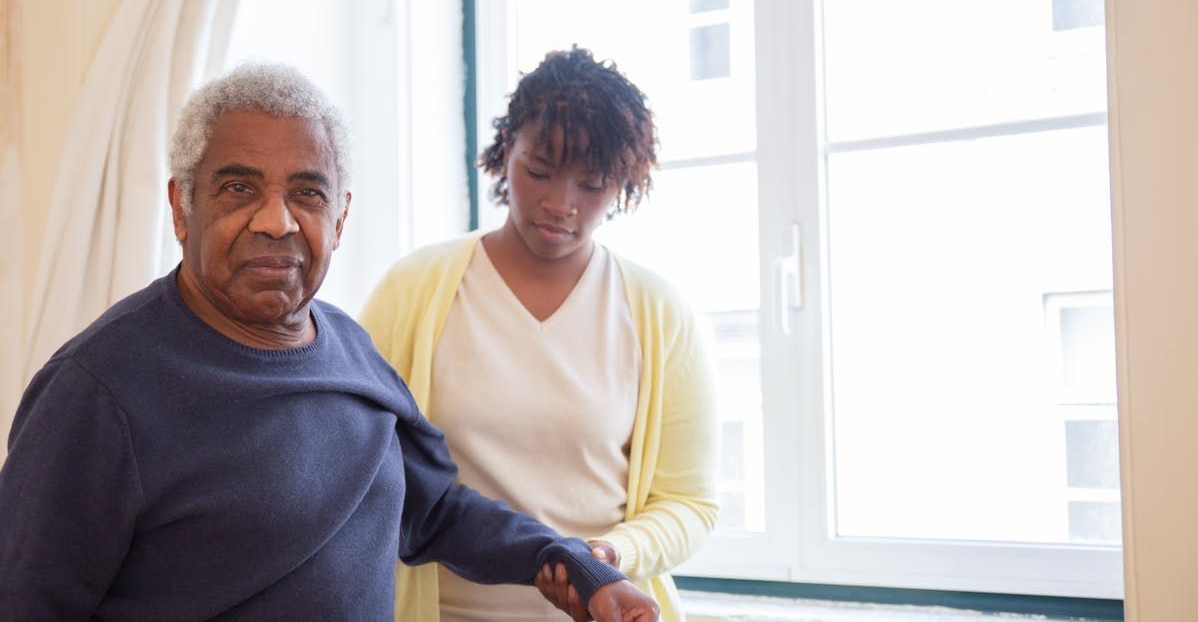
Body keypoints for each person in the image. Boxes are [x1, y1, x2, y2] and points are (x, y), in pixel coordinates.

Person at [0, 62, 660, 622]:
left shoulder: (351, 349)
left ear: (339, 219)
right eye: (238, 188)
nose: (277, 221)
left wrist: (574, 561)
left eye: (308, 193)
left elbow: (433, 509)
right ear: (181, 207)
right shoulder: (98, 391)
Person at [360, 46, 720, 622]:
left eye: (592, 183)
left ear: (625, 182)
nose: (560, 204)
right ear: (507, 152)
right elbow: (358, 457)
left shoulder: (656, 311)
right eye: (539, 171)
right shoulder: (414, 289)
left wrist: (606, 556)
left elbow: (690, 502)